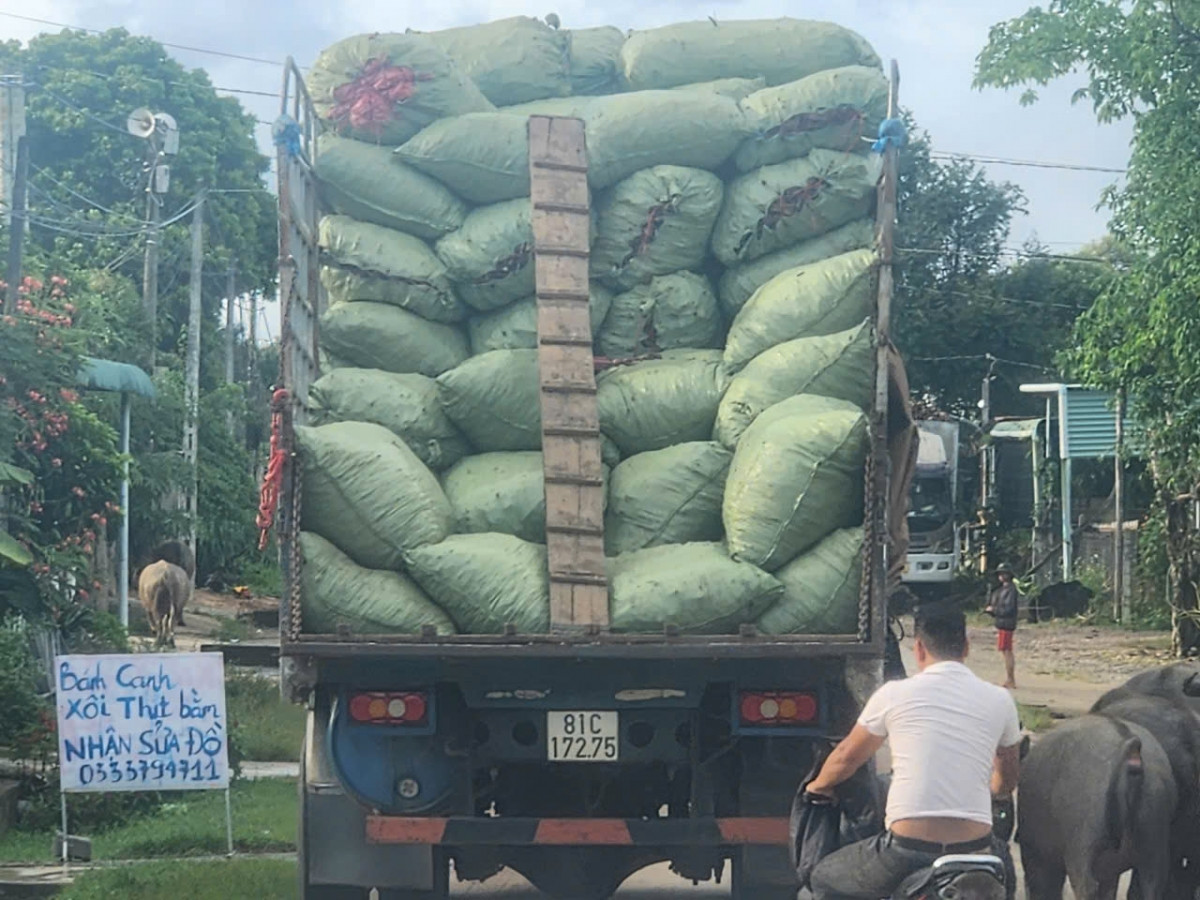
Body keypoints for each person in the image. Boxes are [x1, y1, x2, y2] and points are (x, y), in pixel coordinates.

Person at [805, 605, 1022, 900]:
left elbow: (847, 757)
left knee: (823, 879)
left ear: (918, 648)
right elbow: (1006, 779)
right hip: (977, 850)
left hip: (907, 850)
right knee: (1005, 884)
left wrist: (819, 786)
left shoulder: (894, 694)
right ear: (966, 647)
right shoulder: (1000, 699)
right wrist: (993, 790)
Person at [986, 563, 1020, 690]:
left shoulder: (1010, 590)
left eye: (1003, 573)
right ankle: (1010, 678)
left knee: (1007, 651)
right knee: (1005, 650)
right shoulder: (1002, 590)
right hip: (1003, 623)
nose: (1001, 576)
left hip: (1006, 624)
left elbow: (1009, 609)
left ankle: (1011, 679)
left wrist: (994, 610)